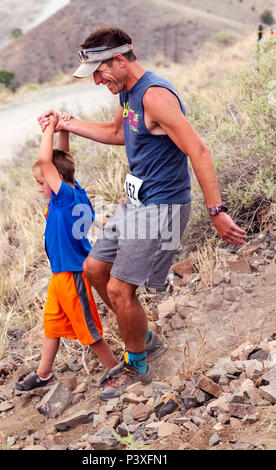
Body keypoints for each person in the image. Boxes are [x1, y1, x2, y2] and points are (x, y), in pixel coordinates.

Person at [37, 27, 247, 400]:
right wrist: (67, 124)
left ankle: (137, 364)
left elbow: (198, 150)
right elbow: (119, 132)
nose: (98, 81)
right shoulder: (128, 94)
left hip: (162, 206)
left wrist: (216, 211)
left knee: (119, 289)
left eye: (100, 73)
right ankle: (144, 337)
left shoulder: (155, 96)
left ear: (119, 60)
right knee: (94, 269)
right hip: (136, 203)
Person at [15, 112, 118, 392]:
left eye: (41, 182)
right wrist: (63, 131)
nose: (39, 189)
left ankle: (117, 371)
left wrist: (48, 128)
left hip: (73, 274)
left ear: (56, 179)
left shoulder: (64, 198)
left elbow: (48, 162)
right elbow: (62, 160)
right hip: (59, 275)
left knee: (89, 330)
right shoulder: (75, 190)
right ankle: (44, 373)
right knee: (51, 325)